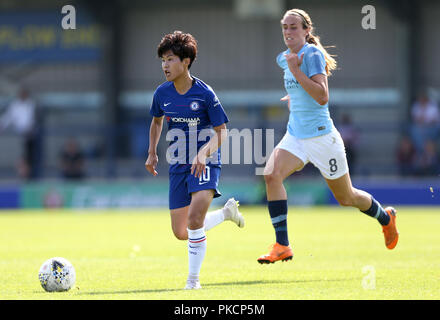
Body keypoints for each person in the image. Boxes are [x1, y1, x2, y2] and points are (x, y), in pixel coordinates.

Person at [257, 9, 399, 264]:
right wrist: (295, 96)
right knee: (271, 175)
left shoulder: (311, 54)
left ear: (306, 30)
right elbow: (304, 92)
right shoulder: (284, 58)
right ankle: (282, 245)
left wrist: (297, 73)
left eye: (293, 27)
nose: (288, 32)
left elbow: (322, 96)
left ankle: (386, 219)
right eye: (285, 27)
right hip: (296, 136)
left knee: (347, 198)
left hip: (322, 139)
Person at [144, 31, 244, 289]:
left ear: (185, 61)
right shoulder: (162, 93)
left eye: (169, 59)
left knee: (195, 218)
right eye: (162, 60)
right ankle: (225, 214)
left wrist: (203, 153)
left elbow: (222, 132)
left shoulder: (205, 94)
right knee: (181, 232)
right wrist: (152, 151)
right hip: (178, 164)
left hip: (205, 161)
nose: (165, 65)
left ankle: (193, 282)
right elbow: (156, 122)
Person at [0, 87, 38, 179]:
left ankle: (28, 175)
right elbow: (8, 117)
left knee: (29, 158)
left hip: (30, 135)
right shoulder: (15, 105)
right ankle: (22, 173)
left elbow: (32, 119)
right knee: (22, 158)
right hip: (19, 135)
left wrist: (30, 129)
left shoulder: (31, 104)